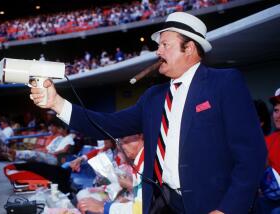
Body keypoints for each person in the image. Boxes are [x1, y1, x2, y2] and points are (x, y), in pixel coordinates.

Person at [30, 12, 267, 214]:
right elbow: (107, 124)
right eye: (158, 45)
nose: (157, 52)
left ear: (190, 48)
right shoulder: (153, 96)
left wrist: (228, 209)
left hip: (211, 206)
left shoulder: (224, 83)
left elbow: (252, 156)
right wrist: (57, 103)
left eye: (165, 45)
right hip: (162, 205)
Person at [77, 134, 144, 214]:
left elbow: (142, 208)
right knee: (82, 195)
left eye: (124, 140)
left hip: (123, 198)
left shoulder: (145, 164)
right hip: (115, 193)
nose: (121, 145)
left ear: (141, 136)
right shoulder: (135, 160)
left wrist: (104, 207)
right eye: (119, 141)